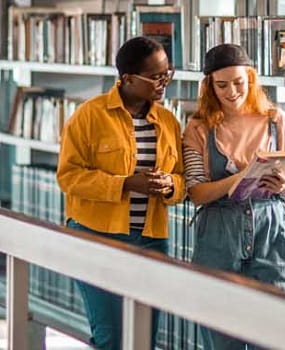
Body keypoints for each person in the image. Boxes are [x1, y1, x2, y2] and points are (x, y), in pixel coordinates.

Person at [57, 36, 185, 350]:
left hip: (152, 240)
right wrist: (125, 183)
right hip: (97, 237)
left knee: (145, 338)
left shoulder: (168, 121)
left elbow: (182, 180)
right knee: (111, 337)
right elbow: (69, 177)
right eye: (156, 76)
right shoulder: (89, 115)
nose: (164, 81)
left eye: (168, 73)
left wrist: (169, 185)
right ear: (128, 79)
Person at [183, 43, 285, 349]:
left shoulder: (276, 120)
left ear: (251, 79)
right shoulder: (198, 128)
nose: (232, 91)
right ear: (209, 86)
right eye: (222, 85)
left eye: (239, 83)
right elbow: (196, 192)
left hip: (272, 231)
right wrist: (237, 179)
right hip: (218, 236)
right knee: (222, 337)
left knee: (276, 334)